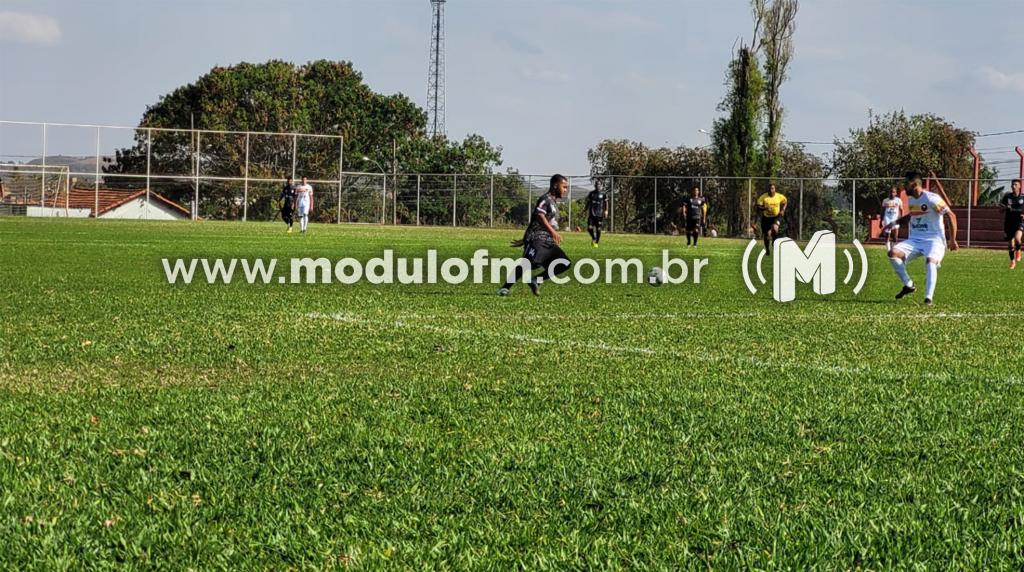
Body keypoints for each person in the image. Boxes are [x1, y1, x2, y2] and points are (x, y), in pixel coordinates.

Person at [882, 171, 959, 306]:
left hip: (934, 240)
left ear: (915, 185)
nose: (904, 187)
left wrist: (952, 240)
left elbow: (951, 215)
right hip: (915, 240)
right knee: (892, 253)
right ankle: (909, 285)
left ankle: (928, 299)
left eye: (906, 184)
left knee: (930, 261)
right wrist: (893, 223)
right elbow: (912, 215)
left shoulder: (932, 199)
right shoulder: (911, 199)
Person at [498, 174, 572, 296]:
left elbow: (534, 221)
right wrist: (551, 232)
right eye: (564, 187)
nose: (565, 190)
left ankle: (536, 280)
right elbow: (539, 215)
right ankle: (505, 288)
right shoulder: (545, 199)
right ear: (555, 185)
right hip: (538, 239)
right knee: (528, 263)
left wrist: (525, 238)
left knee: (564, 263)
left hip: (547, 241)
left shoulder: (553, 202)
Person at [755, 183, 787, 254]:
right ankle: (767, 249)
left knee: (775, 229)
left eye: (772, 188)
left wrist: (783, 210)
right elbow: (758, 207)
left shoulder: (779, 196)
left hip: (776, 217)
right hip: (766, 218)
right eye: (769, 189)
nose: (771, 190)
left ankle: (774, 242)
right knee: (767, 235)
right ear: (767, 189)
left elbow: (785, 202)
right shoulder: (763, 197)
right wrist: (765, 208)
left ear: (775, 189)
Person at [999, 179, 1024, 269]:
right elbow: (1000, 210)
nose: (1013, 186)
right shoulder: (1007, 196)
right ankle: (1012, 261)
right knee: (1010, 244)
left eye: (1015, 184)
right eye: (1012, 184)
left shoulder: (1023, 197)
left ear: (1019, 186)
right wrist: (1006, 207)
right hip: (1009, 222)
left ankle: (1018, 250)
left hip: (1019, 222)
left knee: (1017, 238)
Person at [880, 186, 904, 250]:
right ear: (889, 193)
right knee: (888, 234)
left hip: (895, 219)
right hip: (887, 218)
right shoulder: (885, 200)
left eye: (893, 192)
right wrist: (881, 220)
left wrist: (901, 219)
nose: (892, 193)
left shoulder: (898, 200)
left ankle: (894, 248)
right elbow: (882, 211)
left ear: (896, 193)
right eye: (890, 192)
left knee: (895, 236)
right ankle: (888, 249)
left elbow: (901, 210)